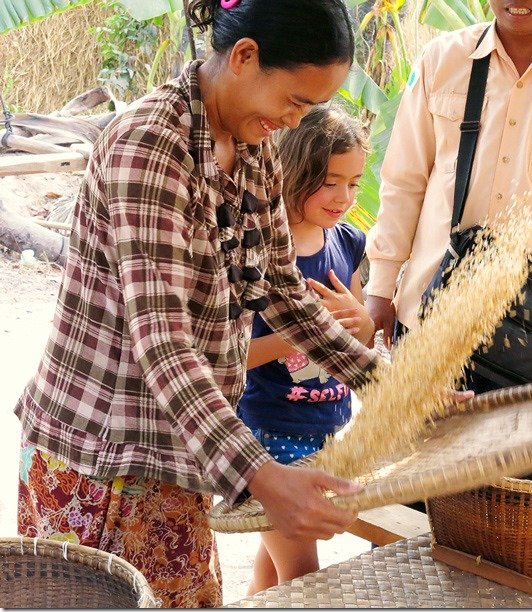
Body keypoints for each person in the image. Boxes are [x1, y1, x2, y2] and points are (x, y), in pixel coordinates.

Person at [15, 0, 385, 606]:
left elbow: (284, 291)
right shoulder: (151, 148)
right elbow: (163, 341)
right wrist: (265, 478)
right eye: (294, 101)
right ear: (244, 57)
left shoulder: (252, 143)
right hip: (104, 462)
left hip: (179, 451)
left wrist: (393, 383)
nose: (294, 122)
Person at [365, 0, 532, 388]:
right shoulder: (441, 60)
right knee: (420, 445)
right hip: (428, 314)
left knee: (515, 450)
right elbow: (403, 182)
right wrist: (380, 286)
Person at [236, 106, 374, 594]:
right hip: (270, 433)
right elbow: (237, 354)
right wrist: (304, 332)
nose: (344, 198)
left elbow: (359, 339)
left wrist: (363, 321)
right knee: (304, 578)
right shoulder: (262, 252)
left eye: (354, 183)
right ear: (293, 171)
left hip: (328, 426)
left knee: (274, 574)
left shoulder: (348, 242)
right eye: (330, 182)